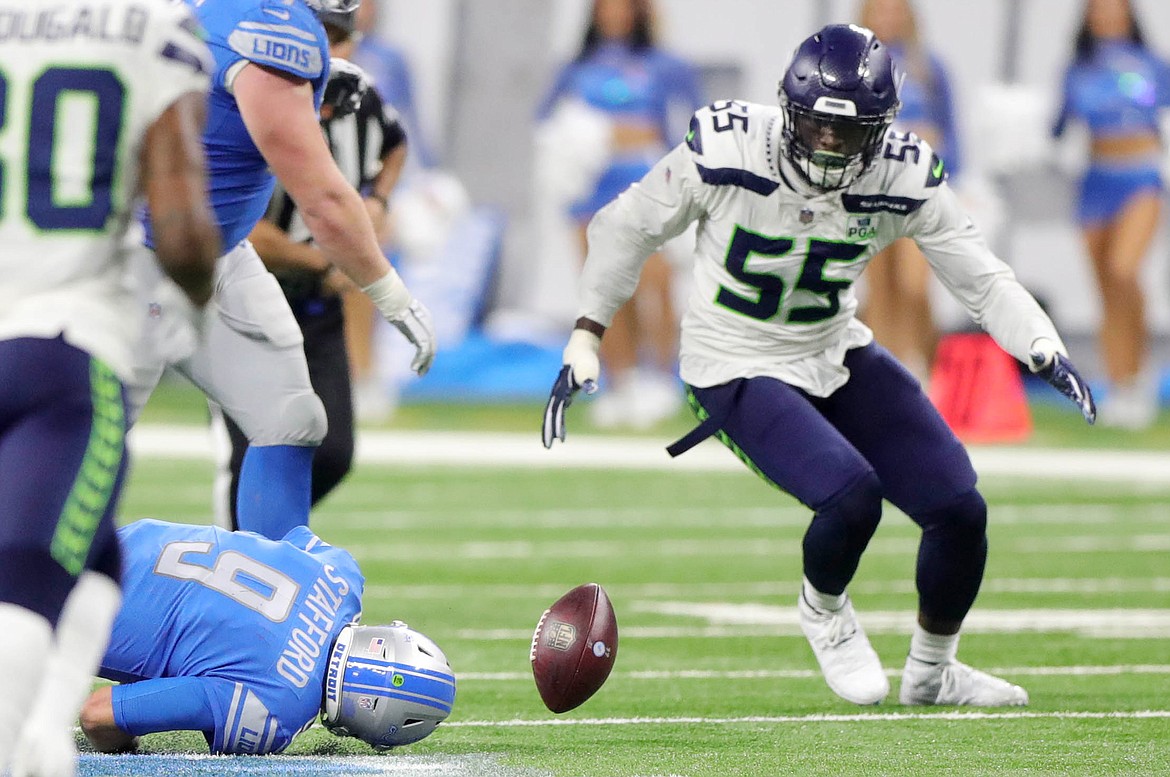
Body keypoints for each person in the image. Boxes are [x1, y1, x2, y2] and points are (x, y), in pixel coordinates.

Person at [542, 24, 1096, 708]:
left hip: (830, 346)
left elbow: (980, 278)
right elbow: (626, 227)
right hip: (732, 360)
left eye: (852, 132)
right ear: (787, 108)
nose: (832, 145)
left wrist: (1042, 344)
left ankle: (933, 672)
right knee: (850, 494)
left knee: (959, 509)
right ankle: (825, 611)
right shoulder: (728, 148)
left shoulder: (901, 173)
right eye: (818, 126)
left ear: (883, 127)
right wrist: (587, 333)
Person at [0, 0, 220, 774]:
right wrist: (193, 305)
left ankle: (40, 748)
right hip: (61, 344)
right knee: (26, 578)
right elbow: (185, 227)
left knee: (96, 559)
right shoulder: (153, 26)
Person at [127, 0, 436, 543]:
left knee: (290, 419)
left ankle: (272, 605)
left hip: (214, 250)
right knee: (80, 443)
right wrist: (391, 294)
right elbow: (323, 199)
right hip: (135, 261)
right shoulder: (272, 30)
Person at [210, 11, 409, 528]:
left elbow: (394, 143)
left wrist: (379, 204)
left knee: (330, 449)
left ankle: (258, 540)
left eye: (340, 38)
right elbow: (239, 223)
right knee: (263, 443)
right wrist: (334, 258)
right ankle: (239, 546)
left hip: (317, 307)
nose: (329, 50)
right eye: (323, 35)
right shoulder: (253, 91)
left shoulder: (357, 94)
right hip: (243, 296)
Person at [79, 519, 455, 755]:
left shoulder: (342, 575)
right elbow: (99, 715)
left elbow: (280, 528)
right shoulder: (273, 713)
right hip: (59, 607)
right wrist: (124, 744)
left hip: (101, 537)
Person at [536, 0, 704, 429]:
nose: (614, 14)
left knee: (656, 283)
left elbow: (687, 125)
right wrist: (585, 139)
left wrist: (633, 137)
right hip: (591, 191)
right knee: (603, 291)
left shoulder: (664, 65)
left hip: (646, 185)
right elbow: (546, 121)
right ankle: (619, 382)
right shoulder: (577, 67)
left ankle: (662, 379)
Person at [1053, 0, 1170, 429]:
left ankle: (1140, 370)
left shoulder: (1151, 64)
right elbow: (1059, 126)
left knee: (1124, 270)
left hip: (1140, 176)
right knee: (1104, 285)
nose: (1105, 16)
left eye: (1113, 8)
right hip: (1094, 180)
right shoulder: (1078, 68)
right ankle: (1121, 382)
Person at [857, 0, 963, 384]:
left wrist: (946, 172)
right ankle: (887, 376)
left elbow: (952, 134)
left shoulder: (928, 67)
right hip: (868, 187)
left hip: (918, 188)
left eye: (894, 9)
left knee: (914, 285)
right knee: (879, 288)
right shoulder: (852, 68)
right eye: (879, 10)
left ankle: (929, 370)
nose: (887, 18)